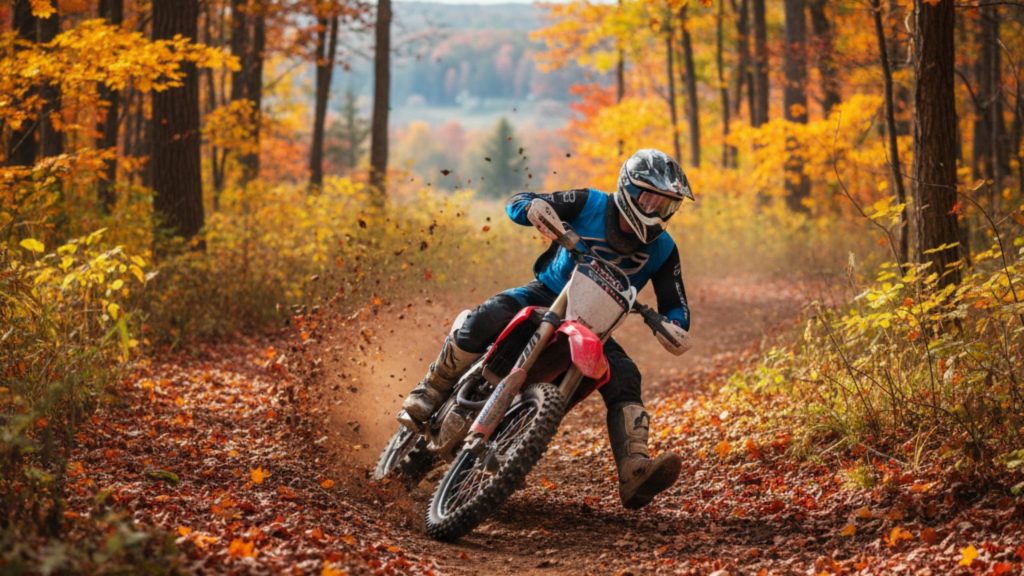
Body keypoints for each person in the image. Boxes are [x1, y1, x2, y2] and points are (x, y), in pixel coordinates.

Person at [399, 148, 694, 509]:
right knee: (488, 315)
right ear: (628, 189)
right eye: (649, 198)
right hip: (547, 294)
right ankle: (431, 389)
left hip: (596, 323)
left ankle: (635, 470)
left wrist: (675, 325)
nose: (655, 210)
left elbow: (675, 303)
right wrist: (532, 208)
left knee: (626, 377)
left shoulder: (663, 249)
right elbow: (521, 201)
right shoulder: (590, 203)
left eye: (665, 205)